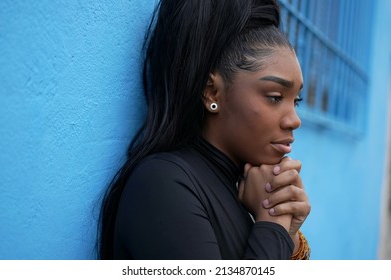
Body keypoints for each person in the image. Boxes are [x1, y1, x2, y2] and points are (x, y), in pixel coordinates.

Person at [99, 0, 311, 260]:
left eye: (296, 100)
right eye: (275, 97)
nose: (294, 120)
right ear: (212, 92)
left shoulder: (243, 190)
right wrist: (273, 222)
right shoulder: (162, 186)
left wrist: (287, 232)